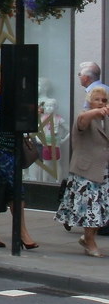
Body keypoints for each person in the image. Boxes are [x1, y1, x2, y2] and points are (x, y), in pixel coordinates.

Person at [0, 78, 39, 249]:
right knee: (17, 192)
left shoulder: (15, 103)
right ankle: (22, 233)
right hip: (1, 153)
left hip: (13, 152)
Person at [54, 86, 109, 257]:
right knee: (91, 209)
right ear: (89, 101)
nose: (101, 103)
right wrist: (97, 111)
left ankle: (87, 238)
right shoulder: (84, 117)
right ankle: (90, 242)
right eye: (97, 99)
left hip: (103, 171)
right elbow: (82, 119)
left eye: (104, 100)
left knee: (102, 210)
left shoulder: (104, 120)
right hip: (86, 172)